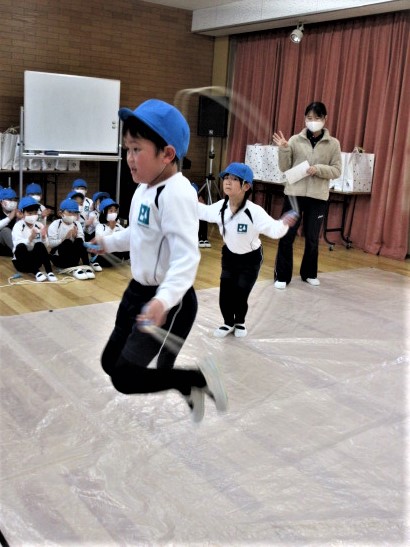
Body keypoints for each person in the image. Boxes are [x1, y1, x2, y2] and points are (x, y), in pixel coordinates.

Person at [94, 98, 227, 423]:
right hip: (137, 292)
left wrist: (163, 301)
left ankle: (194, 379)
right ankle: (186, 382)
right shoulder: (143, 188)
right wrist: (107, 242)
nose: (129, 158)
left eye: (137, 149)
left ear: (167, 154)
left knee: (126, 379)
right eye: (127, 149)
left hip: (168, 301)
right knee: (110, 363)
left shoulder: (177, 194)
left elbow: (186, 258)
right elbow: (137, 234)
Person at [198, 162, 297, 338]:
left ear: (246, 186)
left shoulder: (254, 212)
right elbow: (203, 212)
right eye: (226, 178)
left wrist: (283, 224)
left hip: (250, 259)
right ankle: (228, 323)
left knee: (241, 292)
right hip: (229, 256)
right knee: (225, 293)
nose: (228, 182)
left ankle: (240, 322)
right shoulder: (221, 207)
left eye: (234, 179)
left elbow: (274, 230)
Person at [272, 101, 342, 288]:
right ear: (304, 119)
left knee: (312, 237)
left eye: (317, 118)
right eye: (309, 118)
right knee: (287, 235)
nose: (313, 121)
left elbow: (337, 170)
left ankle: (309, 273)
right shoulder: (295, 140)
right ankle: (282, 276)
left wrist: (318, 169)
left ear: (325, 119)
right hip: (294, 195)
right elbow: (284, 167)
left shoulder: (333, 144)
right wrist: (284, 149)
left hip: (318, 197)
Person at [47, 198, 96, 280]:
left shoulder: (77, 224)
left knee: (79, 241)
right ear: (61, 213)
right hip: (59, 257)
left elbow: (81, 242)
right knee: (67, 242)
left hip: (73, 256)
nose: (72, 215)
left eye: (75, 213)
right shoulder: (55, 224)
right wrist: (65, 238)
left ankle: (86, 265)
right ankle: (72, 269)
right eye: (69, 212)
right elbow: (51, 244)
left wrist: (76, 237)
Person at [11, 196, 57, 282]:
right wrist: (30, 239)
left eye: (35, 213)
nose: (33, 216)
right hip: (21, 262)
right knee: (21, 246)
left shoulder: (39, 225)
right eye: (30, 213)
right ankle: (37, 273)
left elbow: (46, 246)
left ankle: (49, 272)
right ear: (22, 213)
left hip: (35, 260)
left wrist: (44, 237)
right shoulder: (18, 226)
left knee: (39, 244)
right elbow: (17, 245)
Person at [94, 197, 129, 266]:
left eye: (115, 211)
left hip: (117, 257)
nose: (114, 213)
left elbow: (126, 235)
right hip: (105, 257)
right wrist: (110, 228)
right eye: (111, 211)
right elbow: (100, 242)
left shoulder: (118, 226)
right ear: (104, 212)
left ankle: (128, 260)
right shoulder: (100, 226)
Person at [0, 187, 18, 256]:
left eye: (14, 200)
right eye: (10, 200)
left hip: (14, 241)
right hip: (1, 243)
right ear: (1, 201)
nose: (13, 202)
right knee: (5, 230)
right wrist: (9, 218)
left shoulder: (18, 212)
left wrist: (20, 219)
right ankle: (18, 252)